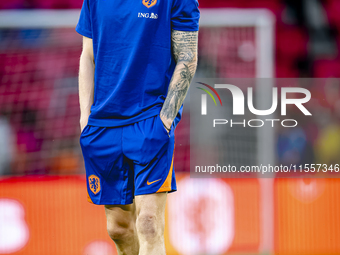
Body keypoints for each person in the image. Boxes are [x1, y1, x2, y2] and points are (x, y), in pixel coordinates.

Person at [76, 0, 199, 254]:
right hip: (102, 125)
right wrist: (84, 118)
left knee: (149, 223)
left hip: (150, 119)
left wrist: (165, 119)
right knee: (118, 229)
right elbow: (87, 55)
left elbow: (187, 57)